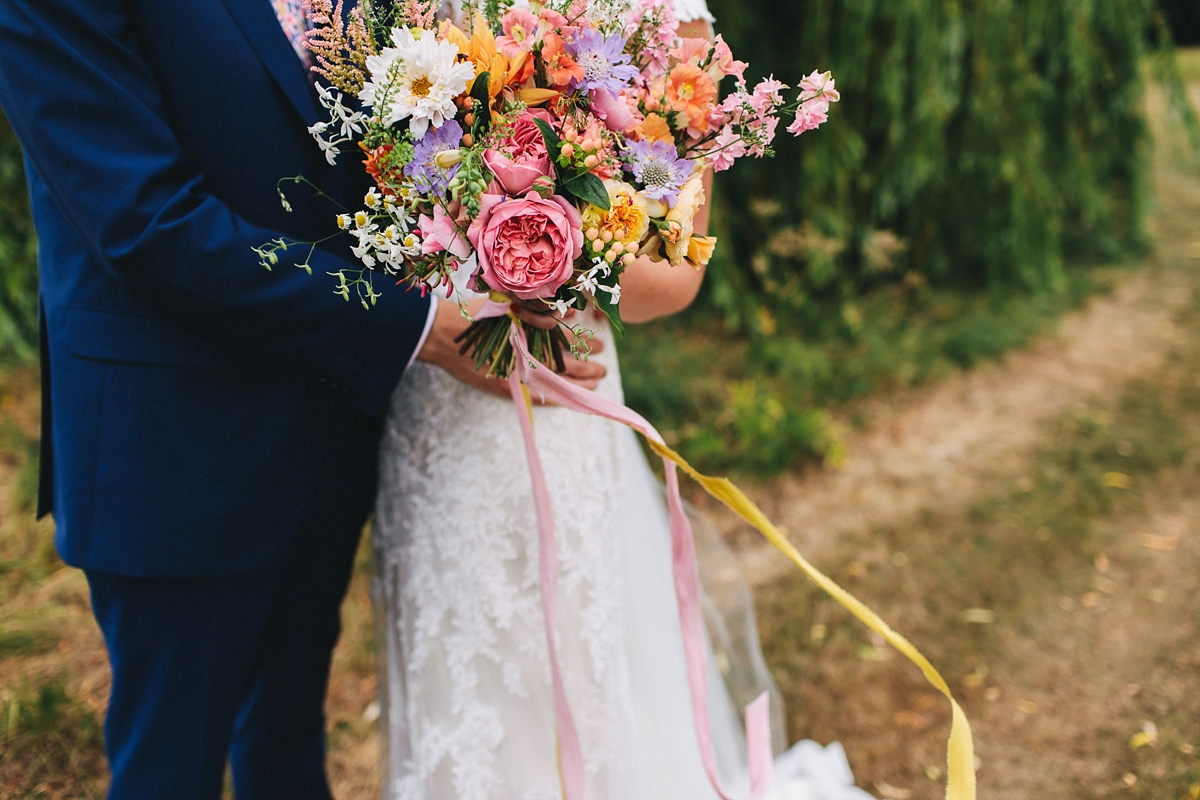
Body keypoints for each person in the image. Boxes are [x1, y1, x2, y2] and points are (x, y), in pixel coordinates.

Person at [0, 2, 600, 798]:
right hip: (176, 439)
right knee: (168, 767)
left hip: (328, 415)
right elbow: (146, 222)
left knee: (286, 747)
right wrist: (417, 325)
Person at [371, 2, 875, 798]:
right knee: (452, 672)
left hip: (561, 393)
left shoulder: (675, 24)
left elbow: (670, 280)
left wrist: (535, 243)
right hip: (433, 402)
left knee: (570, 665)